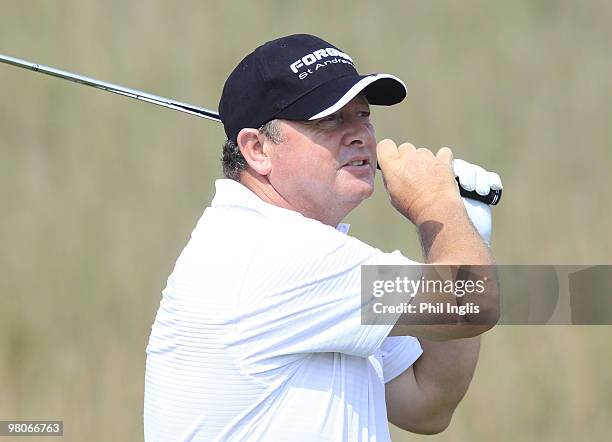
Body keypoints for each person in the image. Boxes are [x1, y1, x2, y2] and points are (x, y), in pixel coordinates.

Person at [144, 34, 501, 441]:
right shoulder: (275, 254)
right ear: (257, 149)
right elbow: (473, 301)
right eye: (328, 119)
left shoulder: (293, 260)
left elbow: (427, 402)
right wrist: (438, 205)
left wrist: (462, 228)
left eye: (362, 115)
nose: (359, 134)